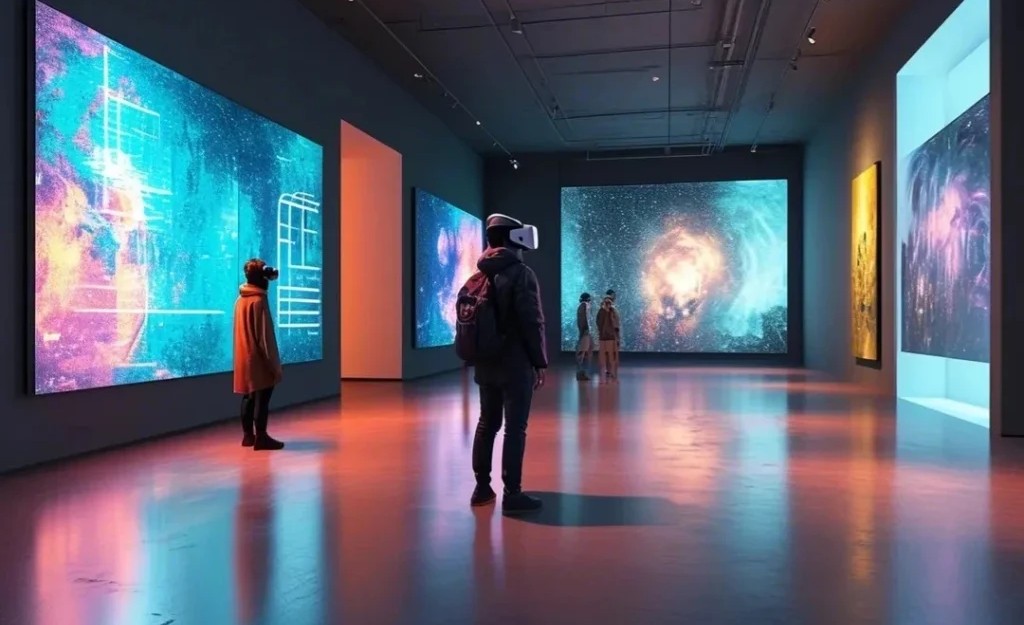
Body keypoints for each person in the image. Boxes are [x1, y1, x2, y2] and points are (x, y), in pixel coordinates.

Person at [470, 213, 548, 515]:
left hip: (486, 363)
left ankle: (481, 489)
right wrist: (539, 361)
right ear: (512, 238)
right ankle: (512, 494)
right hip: (515, 365)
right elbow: (532, 321)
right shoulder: (521, 273)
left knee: (486, 423)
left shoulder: (479, 274)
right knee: (515, 428)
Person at [233, 258, 285, 451]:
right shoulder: (259, 301)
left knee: (249, 396)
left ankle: (248, 436)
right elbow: (265, 338)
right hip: (258, 359)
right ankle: (261, 437)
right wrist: (274, 365)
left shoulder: (240, 300)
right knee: (262, 399)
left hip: (243, 358)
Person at [596, 295, 619, 383]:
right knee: (604, 355)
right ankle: (605, 370)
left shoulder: (612, 312)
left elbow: (615, 323)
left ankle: (611, 371)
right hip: (603, 336)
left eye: (609, 302)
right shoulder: (601, 311)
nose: (607, 304)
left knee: (610, 355)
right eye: (606, 302)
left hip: (610, 336)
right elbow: (598, 322)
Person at [575, 292, 594, 381]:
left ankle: (582, 372)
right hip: (585, 332)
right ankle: (581, 372)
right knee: (583, 352)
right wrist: (585, 330)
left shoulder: (581, 306)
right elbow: (584, 318)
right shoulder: (584, 305)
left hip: (585, 332)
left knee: (585, 351)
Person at [605, 289, 621, 378]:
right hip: (612, 332)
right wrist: (616, 331)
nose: (615, 297)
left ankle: (609, 370)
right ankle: (610, 371)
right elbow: (611, 320)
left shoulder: (609, 306)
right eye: (613, 295)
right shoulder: (609, 305)